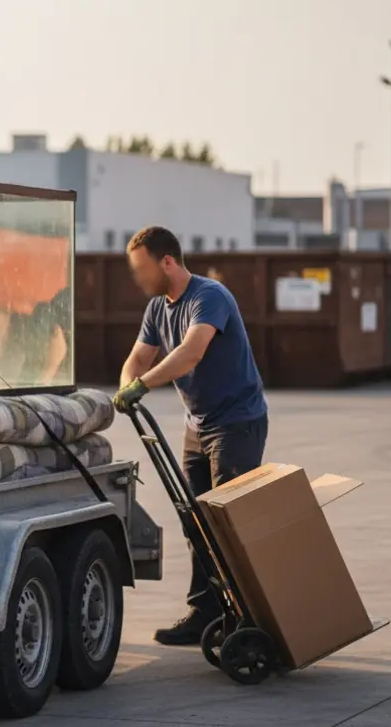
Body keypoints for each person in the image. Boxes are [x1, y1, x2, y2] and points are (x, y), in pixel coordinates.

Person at [111, 226, 268, 646]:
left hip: (236, 423)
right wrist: (129, 383)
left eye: (142, 268)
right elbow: (138, 357)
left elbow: (191, 352)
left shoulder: (209, 296)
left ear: (167, 261)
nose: (138, 278)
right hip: (197, 427)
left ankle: (247, 617)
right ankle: (206, 610)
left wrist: (142, 385)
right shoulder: (156, 309)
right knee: (194, 520)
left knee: (229, 522)